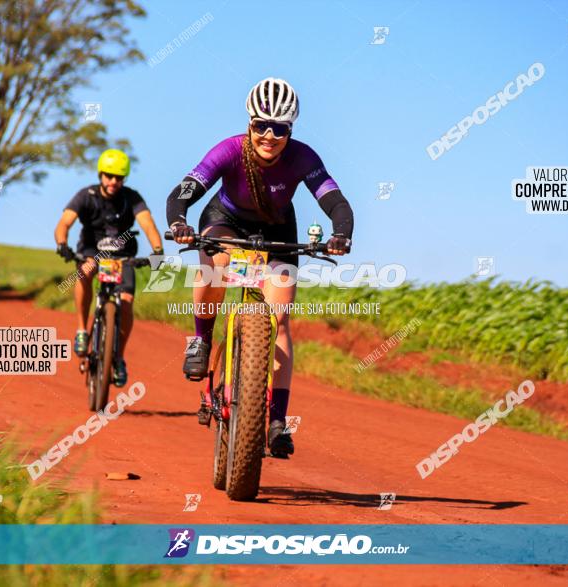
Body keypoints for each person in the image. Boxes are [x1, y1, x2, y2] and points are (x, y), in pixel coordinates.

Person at [166, 77, 354, 457]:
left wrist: (341, 233)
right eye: (261, 126)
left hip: (277, 228)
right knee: (215, 264)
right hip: (226, 220)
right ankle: (201, 340)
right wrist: (179, 223)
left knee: (280, 318)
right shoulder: (228, 151)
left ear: (291, 129)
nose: (269, 135)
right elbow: (183, 192)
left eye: (280, 128)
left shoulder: (303, 158)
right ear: (249, 123)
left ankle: (277, 420)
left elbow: (335, 200)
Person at [54, 149, 164, 387]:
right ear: (101, 175)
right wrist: (62, 243)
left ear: (124, 179)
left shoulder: (131, 198)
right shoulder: (86, 195)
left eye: (119, 177)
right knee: (85, 271)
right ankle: (83, 330)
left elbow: (148, 224)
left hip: (122, 256)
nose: (113, 181)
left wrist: (157, 251)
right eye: (109, 176)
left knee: (126, 301)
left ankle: (119, 357)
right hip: (91, 252)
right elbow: (64, 222)